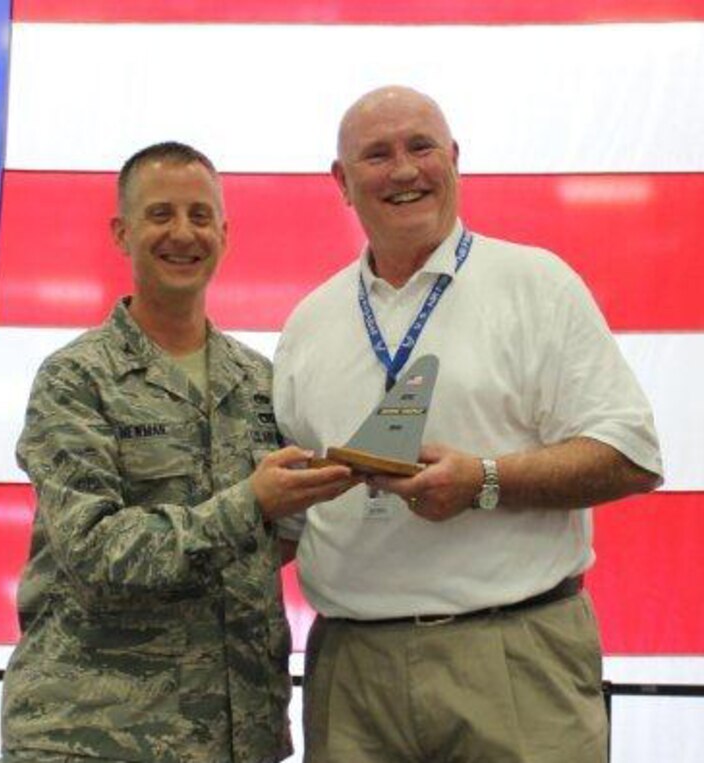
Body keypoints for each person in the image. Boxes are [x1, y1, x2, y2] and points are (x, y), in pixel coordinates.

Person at [273, 87, 664, 762]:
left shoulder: (537, 285)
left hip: (513, 657)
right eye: (377, 154)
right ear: (341, 181)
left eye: (421, 147)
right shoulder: (309, 322)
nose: (404, 170)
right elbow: (290, 514)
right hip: (352, 673)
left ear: (454, 159)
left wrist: (484, 480)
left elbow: (630, 453)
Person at [0, 141, 355, 763]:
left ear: (224, 231)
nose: (182, 234)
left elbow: (280, 538)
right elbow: (94, 549)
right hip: (95, 736)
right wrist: (250, 503)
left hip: (238, 735)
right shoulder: (76, 380)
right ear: (122, 231)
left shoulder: (259, 382)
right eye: (161, 214)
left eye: (199, 215)